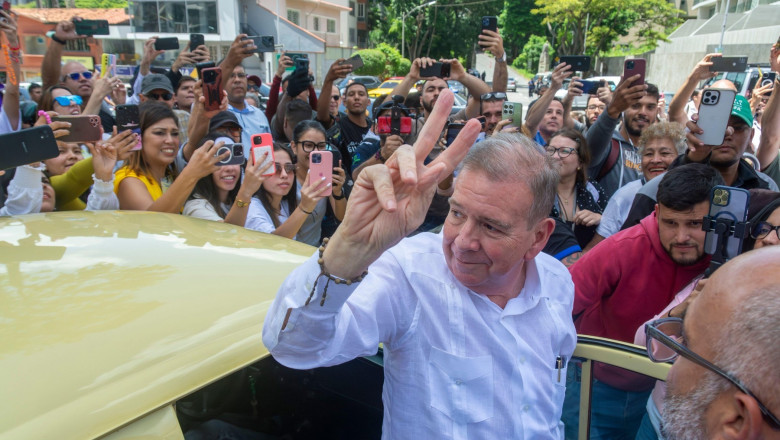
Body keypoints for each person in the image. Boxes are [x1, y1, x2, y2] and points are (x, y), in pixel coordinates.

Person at [263, 90, 577, 439]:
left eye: (491, 226)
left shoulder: (557, 283)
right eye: (457, 213)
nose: (462, 240)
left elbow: (546, 412)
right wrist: (348, 248)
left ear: (538, 238)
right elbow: (292, 346)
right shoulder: (409, 274)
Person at [563, 163, 724, 440]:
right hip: (596, 382)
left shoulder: (727, 259)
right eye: (671, 223)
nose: (682, 236)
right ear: (657, 213)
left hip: (663, 395)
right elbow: (561, 301)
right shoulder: (621, 249)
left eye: (695, 224)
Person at [633, 189, 780, 440]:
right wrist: (685, 311)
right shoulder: (716, 284)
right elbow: (642, 344)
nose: (768, 239)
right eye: (764, 228)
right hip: (659, 419)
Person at [621, 92, 778, 232]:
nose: (727, 133)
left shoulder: (766, 189)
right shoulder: (657, 187)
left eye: (737, 128)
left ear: (751, 136)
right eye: (719, 126)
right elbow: (629, 245)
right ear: (697, 129)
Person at [586, 122, 686, 250]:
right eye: (648, 154)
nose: (655, 160)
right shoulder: (625, 196)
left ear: (681, 158)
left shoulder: (691, 194)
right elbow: (596, 250)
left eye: (665, 153)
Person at [245, 121, 346, 246]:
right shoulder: (281, 187)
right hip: (290, 253)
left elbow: (341, 217)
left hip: (310, 251)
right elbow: (274, 242)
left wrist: (338, 193)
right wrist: (304, 207)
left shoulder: (323, 176)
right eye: (308, 145)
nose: (284, 175)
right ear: (294, 147)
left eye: (321, 146)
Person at [114, 103, 227, 213]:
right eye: (159, 133)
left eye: (174, 133)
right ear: (137, 138)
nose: (170, 140)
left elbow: (193, 143)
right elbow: (152, 223)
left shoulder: (170, 176)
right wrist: (191, 174)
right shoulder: (128, 180)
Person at [585, 76, 660, 198]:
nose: (643, 112)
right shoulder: (608, 144)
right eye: (635, 106)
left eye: (650, 107)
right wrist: (613, 108)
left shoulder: (660, 151)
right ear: (623, 109)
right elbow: (587, 151)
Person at [183, 133, 273, 226]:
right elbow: (229, 234)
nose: (229, 168)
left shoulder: (245, 202)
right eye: (222, 160)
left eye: (234, 160)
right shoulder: (196, 206)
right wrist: (246, 192)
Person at [546, 128, 607, 247]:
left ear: (580, 161)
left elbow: (612, 225)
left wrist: (600, 218)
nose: (556, 156)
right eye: (551, 150)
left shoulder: (593, 190)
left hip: (586, 262)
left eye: (564, 151)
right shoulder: (537, 189)